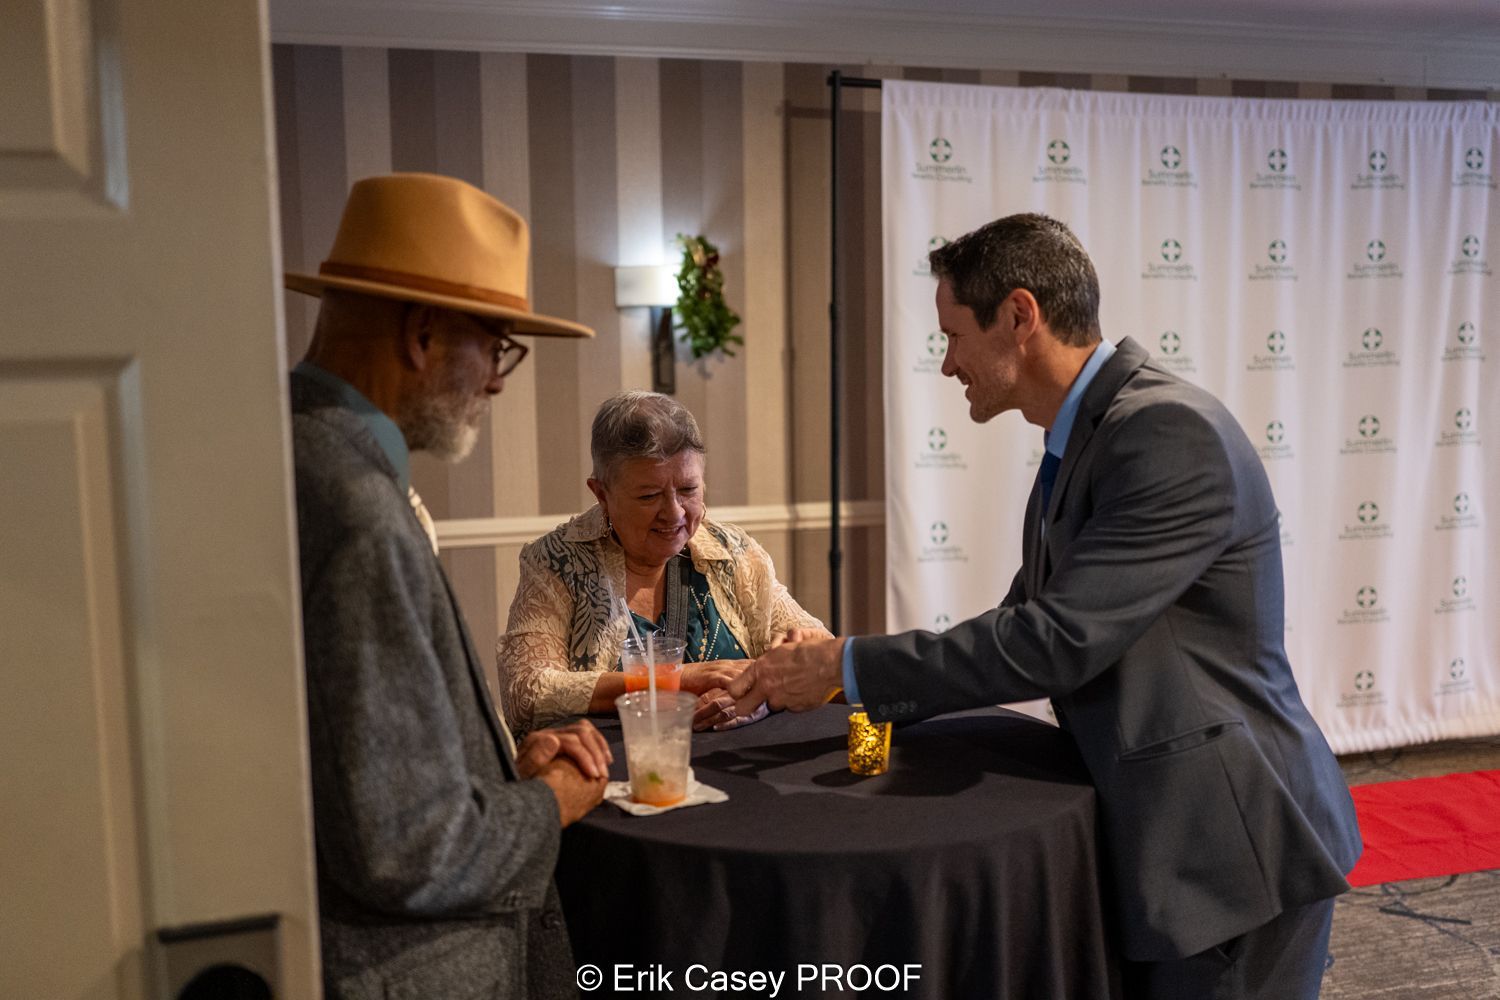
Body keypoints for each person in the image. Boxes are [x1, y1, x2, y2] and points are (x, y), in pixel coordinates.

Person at [730, 213, 1362, 999]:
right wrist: (844, 691)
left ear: (1020, 317)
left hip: (1227, 848)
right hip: (1177, 838)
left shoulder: (1164, 432)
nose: (948, 362)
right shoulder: (1088, 436)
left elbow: (1053, 642)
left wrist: (847, 667)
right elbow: (1018, 623)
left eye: (954, 335)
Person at [286, 172, 611, 1000]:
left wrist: (504, 775)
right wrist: (551, 803)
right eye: (496, 344)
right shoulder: (356, 508)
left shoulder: (298, 455)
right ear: (422, 334)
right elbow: (406, 846)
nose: (499, 380)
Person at [498, 390, 831, 736]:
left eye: (688, 489)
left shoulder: (733, 553)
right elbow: (527, 692)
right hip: (617, 769)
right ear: (601, 494)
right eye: (649, 496)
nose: (674, 512)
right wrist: (677, 680)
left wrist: (804, 649)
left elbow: (812, 643)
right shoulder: (556, 562)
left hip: (738, 763)